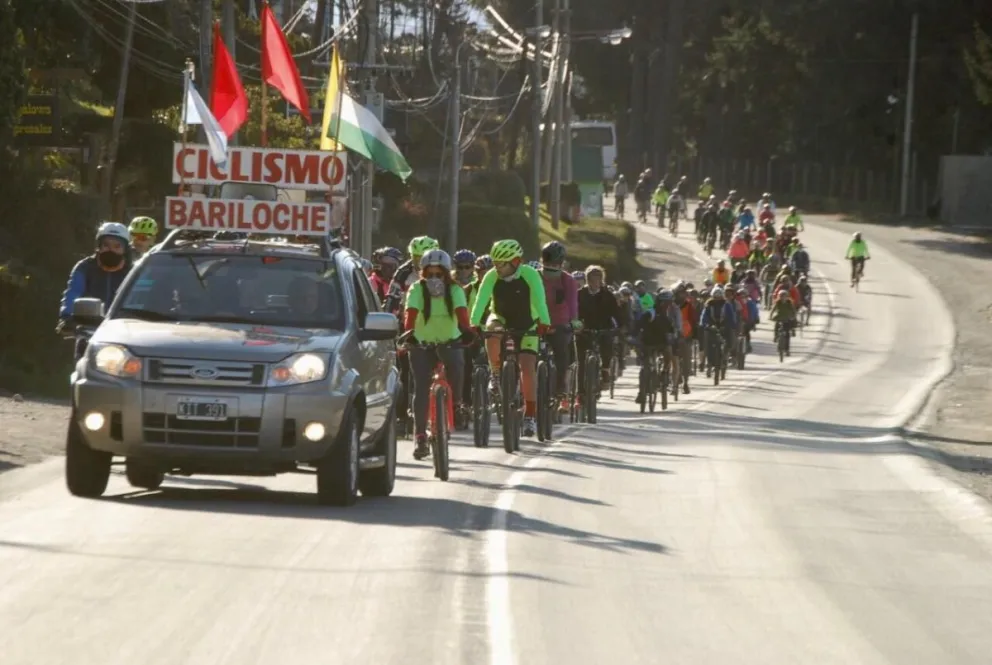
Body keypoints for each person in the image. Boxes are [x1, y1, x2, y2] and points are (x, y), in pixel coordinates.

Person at [471, 239, 551, 438]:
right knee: (492, 329)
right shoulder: (491, 276)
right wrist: (473, 322)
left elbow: (540, 300)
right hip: (501, 317)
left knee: (527, 366)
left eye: (502, 264)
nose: (497, 267)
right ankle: (495, 374)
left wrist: (544, 322)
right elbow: (481, 301)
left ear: (515, 261)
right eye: (495, 263)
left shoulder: (530, 275)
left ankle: (530, 415)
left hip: (528, 323)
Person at [402, 249, 473, 460]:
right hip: (422, 344)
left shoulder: (455, 291)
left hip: (449, 342)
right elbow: (410, 315)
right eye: (429, 274)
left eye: (439, 274)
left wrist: (467, 333)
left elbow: (462, 314)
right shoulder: (416, 289)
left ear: (446, 274)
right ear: (423, 274)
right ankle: (421, 435)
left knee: (458, 366)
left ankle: (458, 403)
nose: (434, 279)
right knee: (422, 387)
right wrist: (410, 336)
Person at [58, 222, 133, 359]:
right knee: (82, 371)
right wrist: (67, 317)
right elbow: (73, 292)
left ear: (125, 250)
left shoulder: (133, 271)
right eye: (106, 245)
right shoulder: (85, 267)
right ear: (98, 247)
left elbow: (143, 297)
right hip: (89, 333)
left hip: (126, 336)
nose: (111, 250)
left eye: (117, 246)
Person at [539, 241, 580, 407]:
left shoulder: (567, 279)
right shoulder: (535, 276)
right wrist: (573, 321)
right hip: (544, 323)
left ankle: (560, 387)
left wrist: (573, 321)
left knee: (561, 353)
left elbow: (572, 303)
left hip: (557, 324)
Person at [577, 265, 620, 394]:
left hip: (603, 329)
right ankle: (580, 392)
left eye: (598, 279)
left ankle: (605, 370)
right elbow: (574, 312)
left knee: (607, 345)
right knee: (581, 360)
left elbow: (616, 313)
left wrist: (619, 328)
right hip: (584, 329)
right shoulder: (579, 294)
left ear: (602, 280)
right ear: (587, 280)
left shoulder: (608, 295)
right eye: (592, 279)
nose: (595, 282)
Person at [383, 236, 440, 315]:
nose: (417, 262)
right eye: (415, 257)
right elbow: (391, 300)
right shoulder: (403, 272)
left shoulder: (442, 272)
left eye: (421, 258)